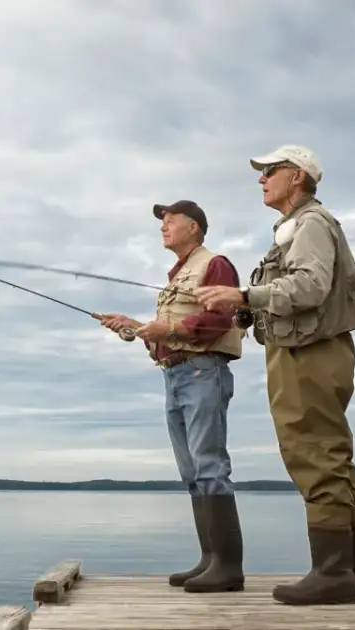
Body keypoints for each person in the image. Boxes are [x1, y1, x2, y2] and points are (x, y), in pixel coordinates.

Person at [195, 145, 355, 606]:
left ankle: (333, 574)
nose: (261, 179)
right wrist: (245, 308)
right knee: (335, 460)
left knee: (312, 453)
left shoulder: (311, 224)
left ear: (297, 176)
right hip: (306, 350)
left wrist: (244, 295)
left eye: (270, 171)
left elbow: (310, 286)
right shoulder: (296, 228)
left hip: (309, 354)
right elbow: (295, 293)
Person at [98, 200, 246, 593]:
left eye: (170, 220)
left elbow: (219, 319)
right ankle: (210, 560)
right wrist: (136, 328)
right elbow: (167, 332)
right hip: (175, 375)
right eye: (162, 222)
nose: (163, 226)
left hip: (203, 372)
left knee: (210, 466)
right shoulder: (175, 275)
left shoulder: (215, 264)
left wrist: (167, 330)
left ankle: (229, 568)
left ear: (194, 227)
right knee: (191, 473)